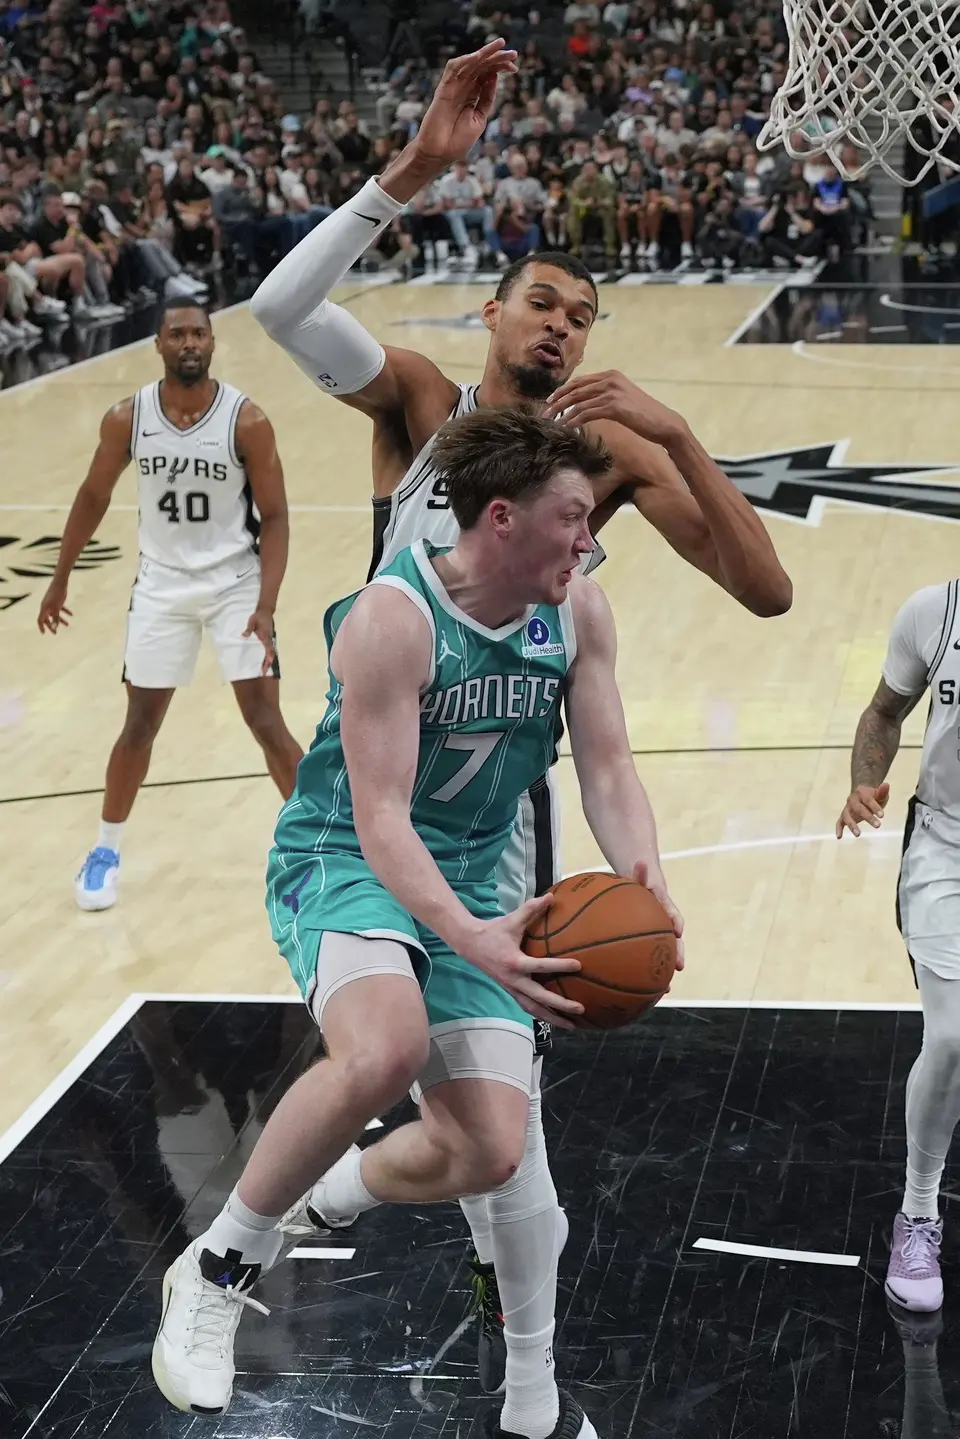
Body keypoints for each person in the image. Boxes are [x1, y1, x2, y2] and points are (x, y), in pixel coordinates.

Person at [249, 34, 791, 1397]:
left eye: (580, 316)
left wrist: (677, 436)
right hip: (371, 789)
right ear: (490, 315)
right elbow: (282, 306)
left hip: (503, 799)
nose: (559, 327)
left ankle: (486, 1322)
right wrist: (412, 173)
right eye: (540, 302)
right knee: (471, 1118)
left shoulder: (601, 456)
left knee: (506, 1132)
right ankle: (493, 1334)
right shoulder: (420, 402)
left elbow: (768, 590)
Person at [152, 408, 681, 1439]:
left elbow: (610, 765)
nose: (589, 538)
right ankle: (218, 1264)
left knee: (488, 1149)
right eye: (573, 517)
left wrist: (645, 879)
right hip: (344, 861)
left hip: (480, 882)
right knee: (386, 1044)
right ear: (500, 518)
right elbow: (380, 816)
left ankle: (324, 1190)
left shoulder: (578, 614)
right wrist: (471, 935)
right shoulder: (392, 619)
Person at [37, 299, 303, 911]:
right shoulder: (127, 417)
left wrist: (266, 603)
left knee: (266, 722)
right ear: (157, 344)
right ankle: (105, 848)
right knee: (139, 725)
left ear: (213, 344)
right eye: (177, 333)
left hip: (235, 582)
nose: (189, 342)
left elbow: (279, 517)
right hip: (160, 587)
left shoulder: (247, 420)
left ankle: (318, 855)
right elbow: (92, 494)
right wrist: (60, 576)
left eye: (199, 334)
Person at [836, 581, 960, 1315]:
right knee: (949, 1037)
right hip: (946, 847)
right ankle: (918, 1211)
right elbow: (885, 710)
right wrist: (863, 781)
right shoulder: (933, 612)